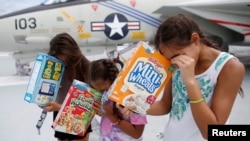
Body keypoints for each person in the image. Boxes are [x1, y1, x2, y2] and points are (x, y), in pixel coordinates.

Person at [146, 14, 245, 141]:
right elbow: (165, 105)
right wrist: (134, 106)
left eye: (178, 55)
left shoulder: (229, 67)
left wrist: (191, 82)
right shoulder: (174, 62)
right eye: (169, 58)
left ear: (195, 39)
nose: (174, 62)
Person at [40, 33, 92, 141]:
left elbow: (86, 107)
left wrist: (58, 107)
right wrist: (43, 101)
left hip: (78, 117)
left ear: (72, 53)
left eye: (65, 60)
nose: (62, 63)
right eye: (58, 59)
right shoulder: (54, 66)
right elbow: (42, 95)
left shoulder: (87, 69)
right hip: (59, 113)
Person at [89, 58, 147, 141]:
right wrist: (101, 113)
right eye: (96, 90)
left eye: (104, 90)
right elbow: (107, 115)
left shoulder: (133, 97)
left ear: (114, 79)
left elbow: (137, 134)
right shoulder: (106, 96)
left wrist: (112, 117)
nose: (102, 94)